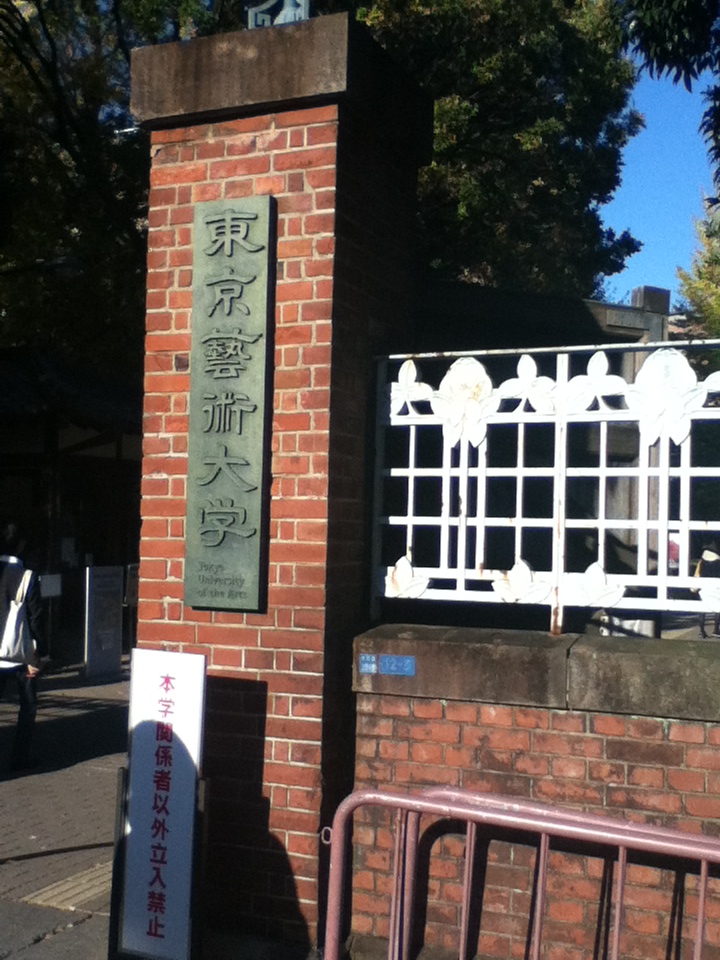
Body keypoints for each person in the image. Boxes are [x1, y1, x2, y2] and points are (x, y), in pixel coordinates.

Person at [0, 519, 47, 771]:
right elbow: (35, 618)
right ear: (21, 545)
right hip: (20, 654)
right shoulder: (27, 577)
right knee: (27, 706)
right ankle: (19, 757)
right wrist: (39, 655)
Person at [696, 540, 720, 639]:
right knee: (718, 608)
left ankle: (701, 630)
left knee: (702, 610)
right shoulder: (718, 562)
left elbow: (697, 574)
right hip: (716, 587)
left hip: (703, 587)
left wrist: (694, 587)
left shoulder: (702, 562)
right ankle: (716, 629)